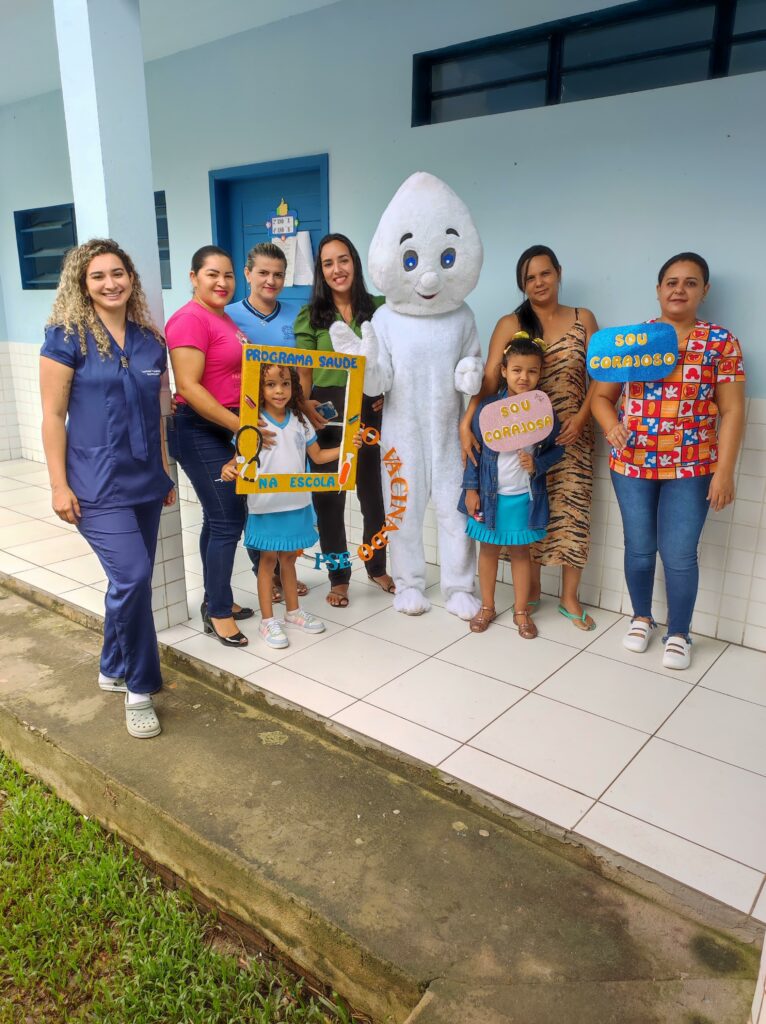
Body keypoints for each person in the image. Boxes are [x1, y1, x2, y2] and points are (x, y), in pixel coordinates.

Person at [40, 238, 175, 739]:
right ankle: (140, 688)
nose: (110, 283)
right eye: (98, 276)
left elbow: (157, 414)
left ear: (131, 279)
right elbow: (53, 416)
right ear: (83, 283)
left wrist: (163, 471)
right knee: (134, 576)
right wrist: (59, 485)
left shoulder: (149, 341)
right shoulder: (66, 338)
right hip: (94, 483)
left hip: (145, 480)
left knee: (129, 583)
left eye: (118, 273)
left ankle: (112, 664)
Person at [592, 252, 745, 670]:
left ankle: (679, 632)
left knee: (679, 554)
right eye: (671, 282)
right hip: (633, 465)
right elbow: (601, 398)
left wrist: (725, 472)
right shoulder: (633, 340)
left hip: (692, 468)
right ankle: (641, 617)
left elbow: (732, 410)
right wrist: (611, 426)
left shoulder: (721, 343)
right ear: (658, 289)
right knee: (639, 548)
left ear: (704, 291)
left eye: (690, 282)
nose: (680, 289)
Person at [461, 245, 599, 631]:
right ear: (522, 284)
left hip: (568, 436)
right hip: (514, 437)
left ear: (559, 272)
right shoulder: (512, 323)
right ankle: (529, 594)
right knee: (527, 519)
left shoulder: (583, 318)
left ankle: (569, 597)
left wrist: (581, 418)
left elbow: (600, 375)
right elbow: (491, 378)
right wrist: (467, 420)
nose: (538, 282)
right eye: (529, 278)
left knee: (572, 515)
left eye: (545, 273)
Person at [221, 364, 362, 648]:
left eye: (285, 384)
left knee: (288, 559)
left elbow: (318, 456)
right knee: (267, 562)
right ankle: (267, 621)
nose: (279, 391)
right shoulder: (253, 422)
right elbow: (238, 458)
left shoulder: (301, 420)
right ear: (259, 388)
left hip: (296, 502)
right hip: (266, 505)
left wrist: (348, 446)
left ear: (294, 387)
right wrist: (228, 467)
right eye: (271, 384)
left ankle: (293, 612)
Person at [294, 233, 394, 607]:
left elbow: (393, 362)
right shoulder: (310, 316)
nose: (337, 269)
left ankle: (377, 567)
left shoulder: (381, 309)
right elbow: (304, 373)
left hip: (370, 410)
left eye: (343, 260)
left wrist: (386, 393)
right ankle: (338, 578)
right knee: (328, 500)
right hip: (327, 413)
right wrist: (305, 409)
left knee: (373, 495)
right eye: (328, 263)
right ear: (321, 271)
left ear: (355, 262)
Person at [166, 245, 254, 648]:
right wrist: (241, 427)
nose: (222, 282)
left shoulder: (224, 318)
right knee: (227, 519)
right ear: (193, 277)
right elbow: (188, 386)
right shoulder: (189, 319)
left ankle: (216, 598)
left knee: (219, 516)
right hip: (200, 428)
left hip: (226, 426)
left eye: (228, 275)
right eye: (212, 274)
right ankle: (218, 613)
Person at [459, 335, 564, 637]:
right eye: (516, 370)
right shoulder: (488, 409)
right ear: (504, 371)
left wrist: (537, 464)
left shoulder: (543, 411)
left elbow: (558, 448)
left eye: (532, 371)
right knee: (488, 551)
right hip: (489, 498)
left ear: (540, 373)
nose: (524, 377)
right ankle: (487, 606)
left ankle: (521, 610)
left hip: (523, 498)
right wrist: (471, 490)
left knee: (520, 553)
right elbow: (473, 453)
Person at [224, 240, 308, 603]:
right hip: (245, 422)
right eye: (263, 273)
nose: (270, 281)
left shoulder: (296, 315)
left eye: (278, 274)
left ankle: (283, 570)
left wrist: (300, 411)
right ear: (248, 274)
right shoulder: (227, 315)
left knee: (286, 494)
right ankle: (266, 572)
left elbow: (303, 370)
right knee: (253, 497)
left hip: (286, 419)